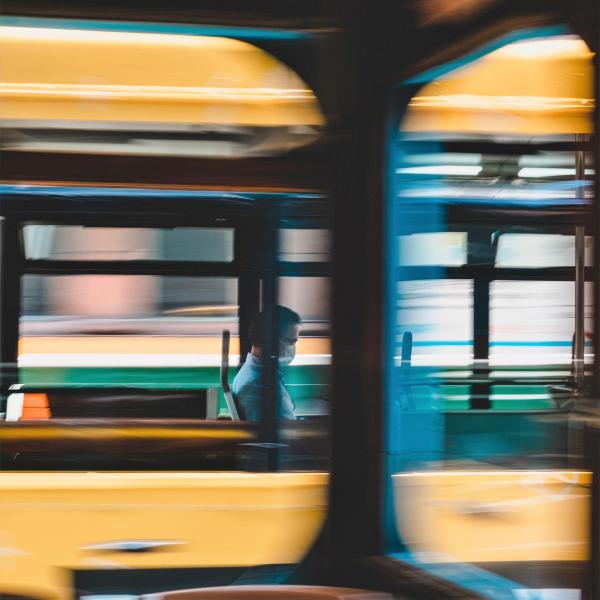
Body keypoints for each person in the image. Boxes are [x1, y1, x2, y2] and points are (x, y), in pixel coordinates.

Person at [232, 305, 300, 421]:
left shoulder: (254, 374)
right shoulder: (257, 385)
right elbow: (273, 435)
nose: (292, 348)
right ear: (271, 341)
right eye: (290, 342)